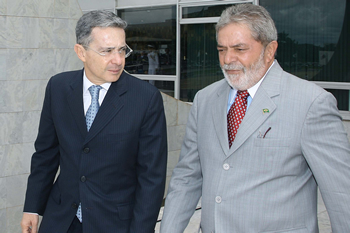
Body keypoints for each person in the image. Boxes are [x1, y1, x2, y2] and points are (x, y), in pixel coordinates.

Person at [160, 4, 350, 233]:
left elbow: (341, 194)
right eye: (222, 49)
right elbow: (187, 178)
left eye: (239, 49)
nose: (228, 59)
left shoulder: (311, 103)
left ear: (269, 51)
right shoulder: (205, 99)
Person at [21, 10, 167, 233]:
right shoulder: (58, 87)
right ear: (81, 52)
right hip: (61, 220)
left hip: (114, 223)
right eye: (107, 51)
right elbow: (45, 154)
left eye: (121, 50)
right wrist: (32, 207)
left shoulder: (145, 98)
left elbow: (151, 178)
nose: (118, 60)